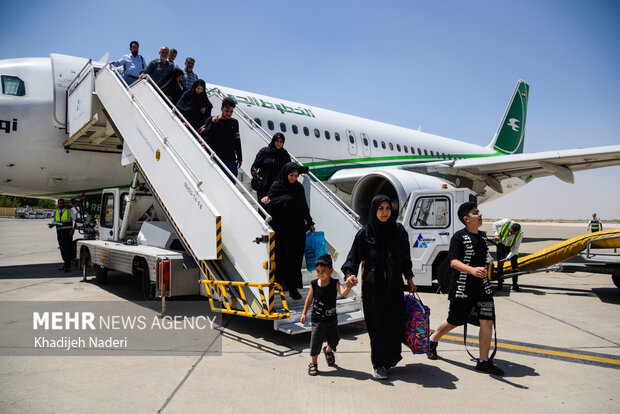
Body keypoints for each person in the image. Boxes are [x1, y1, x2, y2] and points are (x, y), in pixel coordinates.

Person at [342, 195, 416, 380]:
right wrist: (349, 274)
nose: (384, 212)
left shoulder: (398, 231)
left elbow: (405, 258)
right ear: (374, 210)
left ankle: (389, 359)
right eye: (380, 208)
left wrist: (410, 278)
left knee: (395, 324)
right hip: (373, 289)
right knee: (377, 327)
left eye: (387, 208)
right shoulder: (365, 234)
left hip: (394, 286)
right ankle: (378, 364)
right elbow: (353, 258)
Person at [426, 202, 504, 376]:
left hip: (482, 287)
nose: (480, 214)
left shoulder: (483, 238)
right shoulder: (459, 237)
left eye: (479, 212)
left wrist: (485, 269)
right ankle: (432, 340)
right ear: (467, 219)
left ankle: (483, 361)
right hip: (462, 287)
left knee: (487, 321)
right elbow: (453, 261)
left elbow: (484, 260)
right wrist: (472, 270)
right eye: (476, 213)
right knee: (454, 321)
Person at [261, 162, 315, 300]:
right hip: (282, 230)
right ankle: (283, 285)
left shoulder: (298, 188)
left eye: (296, 176)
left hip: (297, 229)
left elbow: (304, 207)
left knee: (296, 258)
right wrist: (267, 202)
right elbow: (270, 203)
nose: (293, 178)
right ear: (286, 174)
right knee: (284, 258)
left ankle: (293, 287)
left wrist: (310, 222)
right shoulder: (277, 186)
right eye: (291, 175)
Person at [301, 254, 352, 376]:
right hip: (317, 320)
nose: (320, 274)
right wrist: (304, 314)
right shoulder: (314, 284)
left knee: (335, 340)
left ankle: (328, 350)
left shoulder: (335, 283)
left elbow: (344, 293)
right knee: (315, 343)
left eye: (324, 271)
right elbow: (308, 299)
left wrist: (349, 286)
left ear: (331, 270)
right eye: (318, 271)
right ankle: (313, 363)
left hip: (331, 320)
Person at [251, 132, 304, 203]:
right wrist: (255, 174)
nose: (279, 143)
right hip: (263, 186)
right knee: (262, 208)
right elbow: (255, 165)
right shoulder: (264, 152)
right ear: (273, 141)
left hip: (276, 188)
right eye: (277, 141)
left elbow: (291, 168)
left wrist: (304, 169)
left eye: (281, 142)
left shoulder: (284, 155)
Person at [201, 97, 242, 179]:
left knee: (232, 184)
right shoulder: (212, 120)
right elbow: (203, 136)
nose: (229, 114)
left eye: (231, 111)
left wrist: (240, 157)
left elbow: (237, 140)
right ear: (221, 108)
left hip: (231, 160)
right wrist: (212, 124)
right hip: (216, 159)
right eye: (227, 111)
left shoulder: (234, 122)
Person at [493, 218, 523, 292]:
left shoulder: (520, 234)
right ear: (510, 227)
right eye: (511, 231)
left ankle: (515, 286)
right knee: (500, 266)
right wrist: (496, 234)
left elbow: (515, 248)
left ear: (517, 231)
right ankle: (499, 285)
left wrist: (507, 258)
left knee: (515, 267)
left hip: (511, 248)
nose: (511, 233)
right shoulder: (506, 222)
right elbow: (495, 224)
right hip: (501, 246)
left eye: (513, 233)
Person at [49, 198, 77, 272]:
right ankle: (65, 263)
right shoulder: (56, 212)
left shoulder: (69, 211)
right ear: (58, 204)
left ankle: (68, 266)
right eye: (59, 203)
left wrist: (73, 230)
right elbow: (55, 221)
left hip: (68, 233)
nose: (61, 204)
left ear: (64, 204)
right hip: (60, 233)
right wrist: (52, 225)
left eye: (62, 203)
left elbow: (76, 220)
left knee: (68, 249)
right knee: (62, 249)